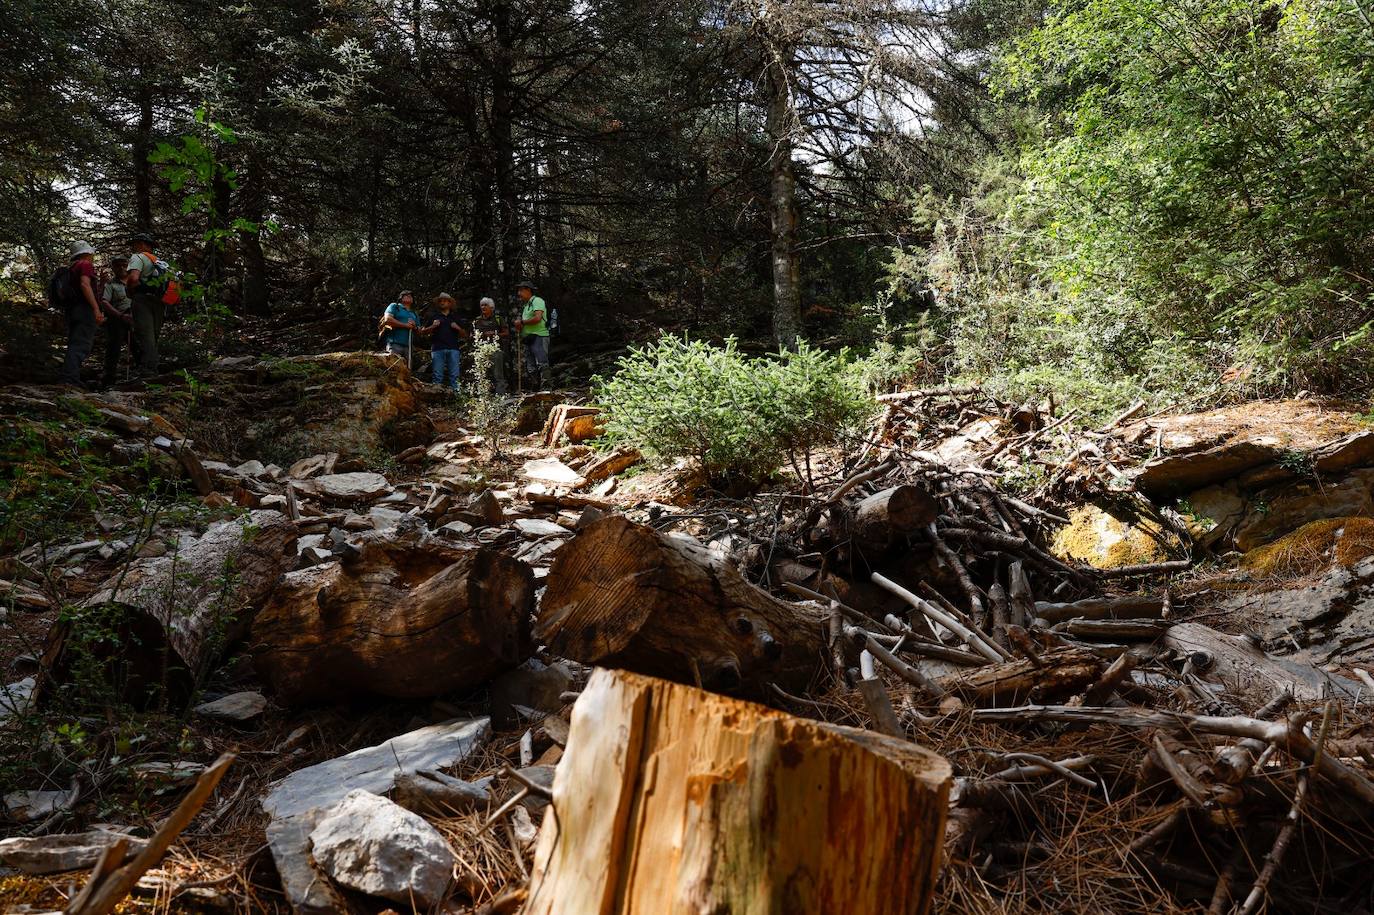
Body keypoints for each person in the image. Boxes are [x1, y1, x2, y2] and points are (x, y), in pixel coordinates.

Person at [57, 241, 105, 386]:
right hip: (84, 310)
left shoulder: (72, 268)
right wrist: (96, 309)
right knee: (81, 344)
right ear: (87, 253)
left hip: (72, 310)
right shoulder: (85, 264)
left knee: (74, 343)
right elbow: (84, 285)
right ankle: (69, 379)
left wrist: (101, 283)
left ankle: (70, 376)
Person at [124, 233, 170, 376]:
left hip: (142, 299)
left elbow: (133, 278)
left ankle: (148, 369)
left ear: (142, 244)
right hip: (159, 301)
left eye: (136, 243)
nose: (134, 246)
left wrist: (129, 290)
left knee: (145, 334)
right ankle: (152, 366)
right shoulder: (159, 262)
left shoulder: (137, 257)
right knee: (154, 335)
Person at [100, 257, 135, 387]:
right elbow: (104, 302)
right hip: (117, 320)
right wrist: (120, 316)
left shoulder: (136, 281)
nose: (121, 268)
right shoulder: (111, 285)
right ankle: (108, 378)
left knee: (138, 346)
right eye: (117, 266)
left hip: (136, 319)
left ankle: (143, 373)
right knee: (113, 348)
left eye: (124, 265)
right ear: (113, 268)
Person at [420, 292, 467, 390]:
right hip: (438, 348)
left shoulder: (455, 317)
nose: (442, 302)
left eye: (445, 301)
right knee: (437, 376)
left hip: (453, 348)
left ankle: (457, 399)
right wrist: (433, 326)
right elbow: (422, 332)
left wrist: (457, 328)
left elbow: (465, 335)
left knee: (455, 376)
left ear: (450, 303)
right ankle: (436, 398)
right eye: (440, 301)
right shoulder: (433, 317)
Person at [513, 279, 550, 390]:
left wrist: (522, 322)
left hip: (539, 335)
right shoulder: (526, 306)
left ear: (528, 290)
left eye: (521, 290)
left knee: (542, 362)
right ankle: (536, 388)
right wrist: (520, 326)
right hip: (528, 338)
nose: (519, 293)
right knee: (531, 365)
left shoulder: (537, 301)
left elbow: (538, 318)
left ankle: (546, 387)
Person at [471, 296, 508, 393]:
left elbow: (506, 333)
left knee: (498, 374)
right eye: (482, 305)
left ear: (491, 307)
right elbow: (472, 335)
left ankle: (500, 395)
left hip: (496, 350)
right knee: (483, 374)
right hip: (481, 350)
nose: (483, 307)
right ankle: (484, 396)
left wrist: (494, 334)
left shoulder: (498, 319)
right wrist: (480, 335)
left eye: (485, 305)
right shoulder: (477, 320)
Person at [380, 290, 420, 360]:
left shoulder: (414, 313)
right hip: (394, 343)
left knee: (407, 369)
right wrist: (406, 325)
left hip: (409, 346)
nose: (409, 296)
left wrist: (414, 327)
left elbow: (420, 331)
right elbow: (388, 320)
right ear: (401, 298)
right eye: (406, 295)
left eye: (411, 296)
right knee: (394, 368)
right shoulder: (395, 306)